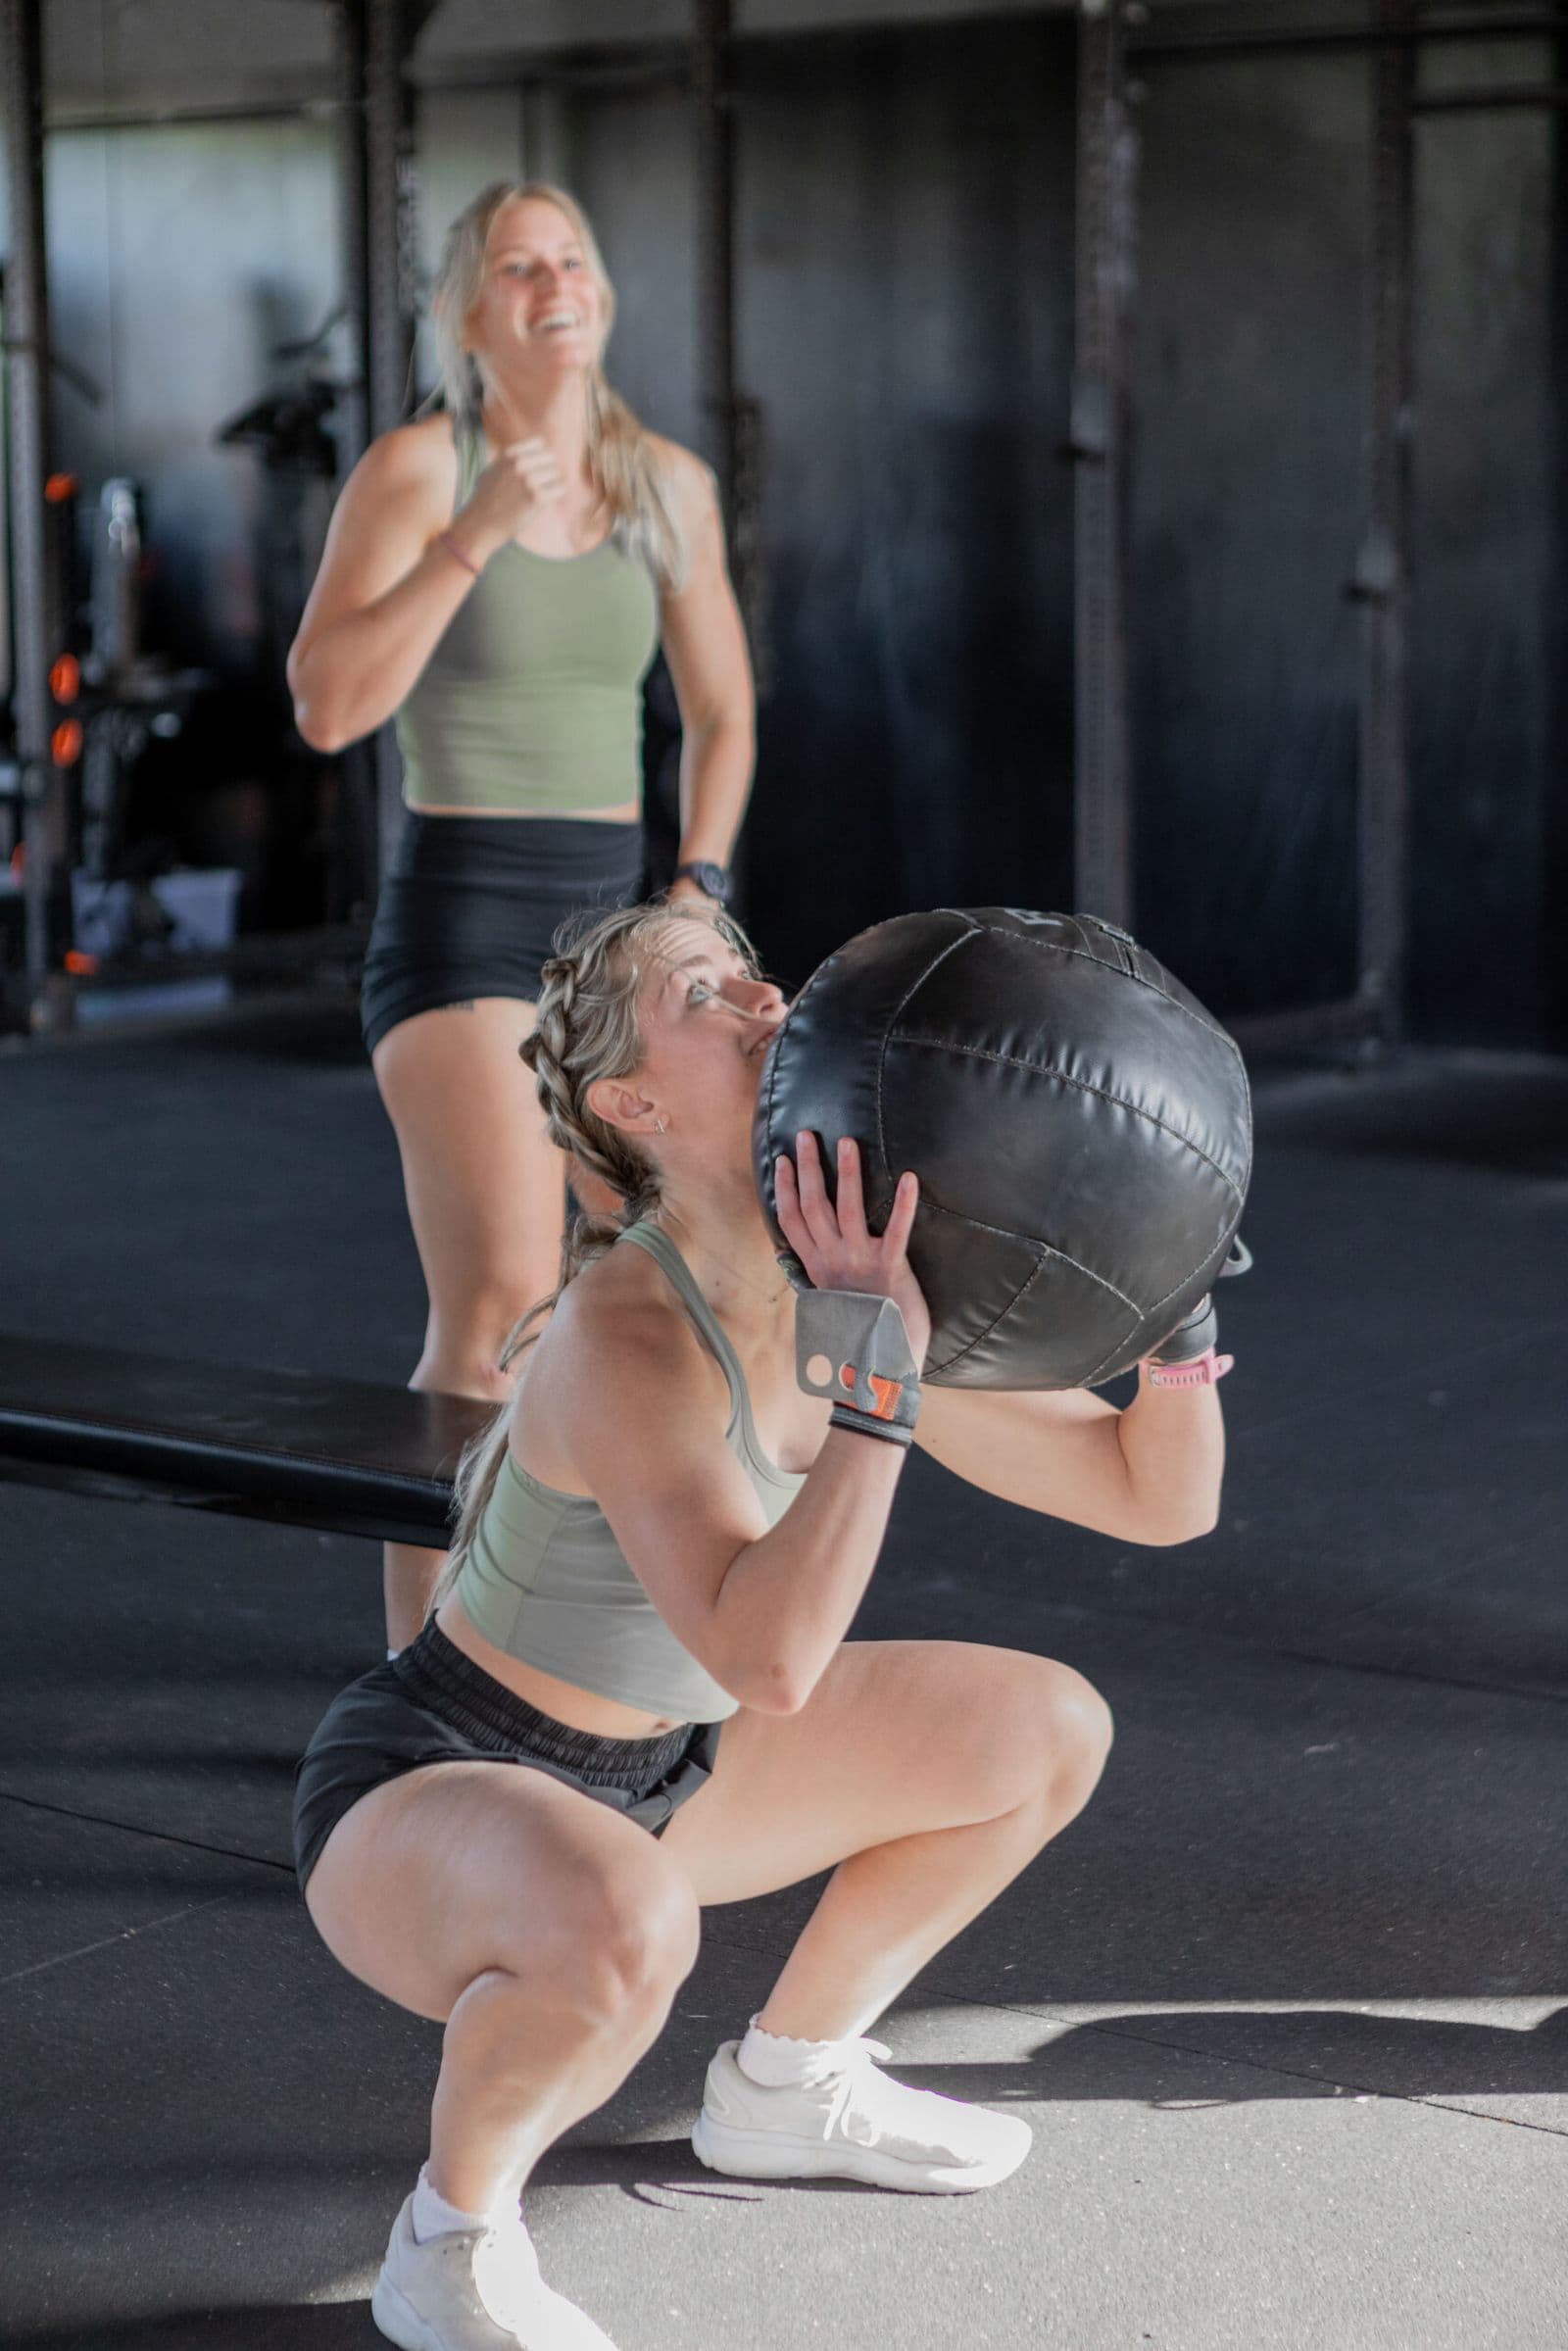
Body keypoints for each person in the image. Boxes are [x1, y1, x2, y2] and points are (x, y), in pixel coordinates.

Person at [294, 899, 1232, 2351]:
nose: (762, 996)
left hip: (673, 1772)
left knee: (1045, 1731)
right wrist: (876, 1390)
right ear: (634, 1103)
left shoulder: (849, 1284)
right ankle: (452, 2237)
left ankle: (790, 2086)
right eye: (702, 993)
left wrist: (1171, 1315)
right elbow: (769, 1660)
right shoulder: (628, 1324)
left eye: (751, 972)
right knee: (626, 1922)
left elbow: (1154, 1502)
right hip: (441, 1779)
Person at [286, 182, 753, 1653]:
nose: (552, 284)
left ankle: (585, 1649)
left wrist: (699, 889)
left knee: (634, 1304)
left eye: (571, 259)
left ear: (599, 291)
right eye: (516, 266)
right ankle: (417, 1697)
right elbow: (326, 706)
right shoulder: (423, 470)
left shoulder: (667, 485)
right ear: (471, 310)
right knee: (496, 1305)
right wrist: (476, 533)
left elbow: (726, 715)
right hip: (462, 921)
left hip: (610, 930)